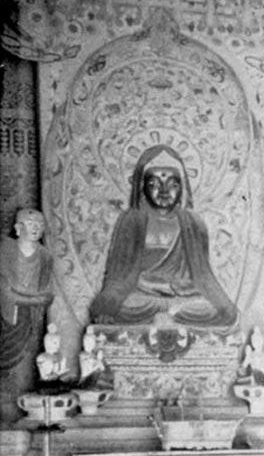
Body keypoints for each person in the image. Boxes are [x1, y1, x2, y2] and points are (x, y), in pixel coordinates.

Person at [90, 144, 238, 329]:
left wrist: (224, 306)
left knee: (208, 309)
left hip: (182, 297)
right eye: (154, 184)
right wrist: (107, 306)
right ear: (142, 188)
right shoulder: (132, 219)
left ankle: (169, 314)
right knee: (127, 307)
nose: (164, 191)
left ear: (182, 189)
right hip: (144, 295)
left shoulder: (192, 222)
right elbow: (119, 276)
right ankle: (164, 314)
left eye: (172, 185)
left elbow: (204, 275)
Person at [0, 208, 55, 406]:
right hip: (10, 317)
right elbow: (5, 292)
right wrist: (34, 299)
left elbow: (48, 293)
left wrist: (37, 301)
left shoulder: (45, 256)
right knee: (10, 367)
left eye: (40, 225)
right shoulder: (5, 251)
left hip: (33, 318)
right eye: (31, 224)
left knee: (32, 361)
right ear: (17, 228)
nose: (36, 228)